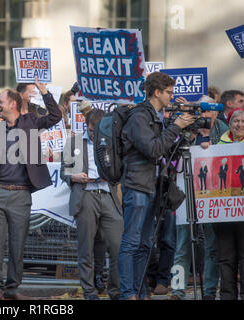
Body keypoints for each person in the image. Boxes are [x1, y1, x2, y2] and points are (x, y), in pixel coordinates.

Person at [0, 78, 62, 300]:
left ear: (13, 104)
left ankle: (12, 289)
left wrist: (45, 92)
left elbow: (56, 117)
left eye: (0, 101)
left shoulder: (30, 123)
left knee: (17, 245)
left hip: (21, 194)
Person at [117, 72, 195, 300]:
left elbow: (165, 150)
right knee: (131, 242)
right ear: (156, 92)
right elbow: (152, 149)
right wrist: (175, 126)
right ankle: (128, 293)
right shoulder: (139, 116)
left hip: (151, 185)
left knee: (144, 245)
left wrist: (182, 129)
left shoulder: (157, 116)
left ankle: (140, 291)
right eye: (169, 92)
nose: (172, 96)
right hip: (137, 184)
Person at [60, 109, 123, 300]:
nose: (94, 134)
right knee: (85, 248)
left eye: (97, 131)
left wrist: (111, 176)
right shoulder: (74, 142)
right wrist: (74, 177)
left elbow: (121, 169)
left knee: (117, 246)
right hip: (85, 195)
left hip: (108, 194)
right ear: (86, 125)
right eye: (91, 130)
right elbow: (65, 172)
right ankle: (89, 292)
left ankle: (115, 291)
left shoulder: (112, 141)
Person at [170, 96, 228, 300]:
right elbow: (171, 155)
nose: (203, 115)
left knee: (212, 246)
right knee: (183, 244)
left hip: (212, 196)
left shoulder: (223, 129)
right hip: (187, 192)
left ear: (214, 112)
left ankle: (210, 291)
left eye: (206, 111)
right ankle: (177, 290)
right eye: (200, 111)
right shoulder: (188, 129)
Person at [213, 107, 244, 300]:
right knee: (226, 257)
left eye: (243, 122)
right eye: (236, 121)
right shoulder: (218, 143)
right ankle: (227, 295)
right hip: (224, 211)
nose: (239, 125)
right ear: (229, 123)